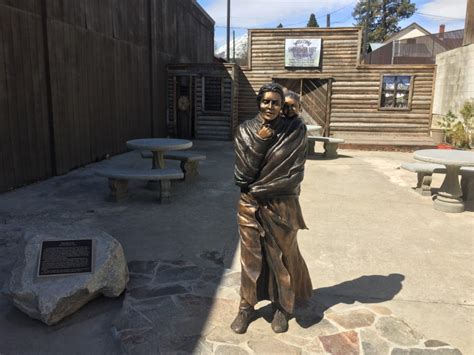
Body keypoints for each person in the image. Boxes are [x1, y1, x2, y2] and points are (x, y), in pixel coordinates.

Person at [231, 83, 313, 334]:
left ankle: (284, 307)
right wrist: (259, 142)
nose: (270, 106)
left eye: (275, 102)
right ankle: (246, 307)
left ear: (282, 105)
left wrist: (261, 188)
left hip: (282, 206)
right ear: (259, 102)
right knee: (250, 259)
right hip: (250, 206)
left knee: (283, 257)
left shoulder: (295, 130)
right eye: (266, 101)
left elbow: (294, 175)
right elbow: (242, 177)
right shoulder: (245, 130)